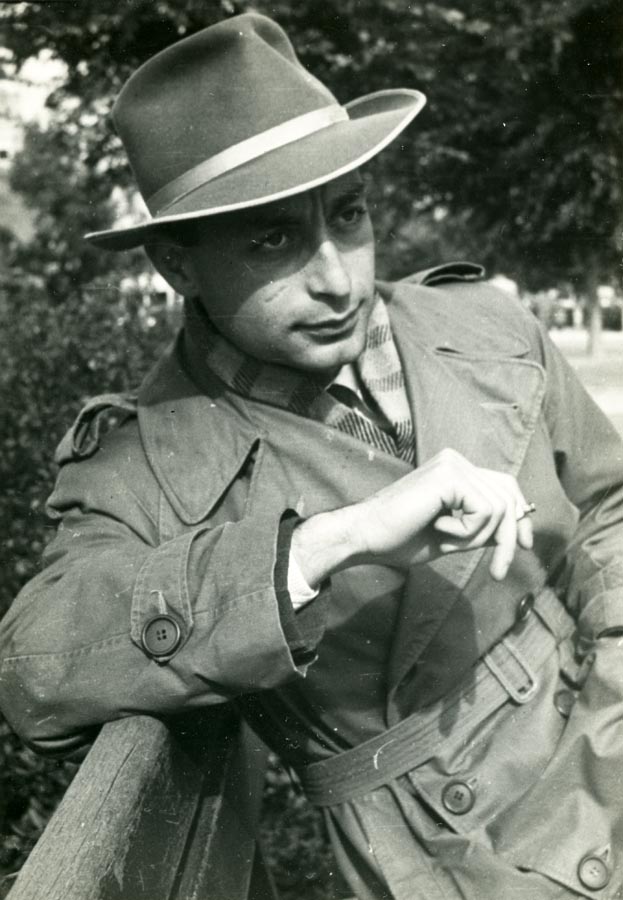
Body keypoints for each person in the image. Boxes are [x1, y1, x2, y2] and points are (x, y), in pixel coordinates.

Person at [1, 13, 622, 900]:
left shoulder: (478, 320)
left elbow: (607, 503)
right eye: (272, 239)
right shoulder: (141, 460)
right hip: (452, 851)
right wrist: (327, 543)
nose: (337, 279)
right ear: (179, 264)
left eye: (350, 214)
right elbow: (33, 672)